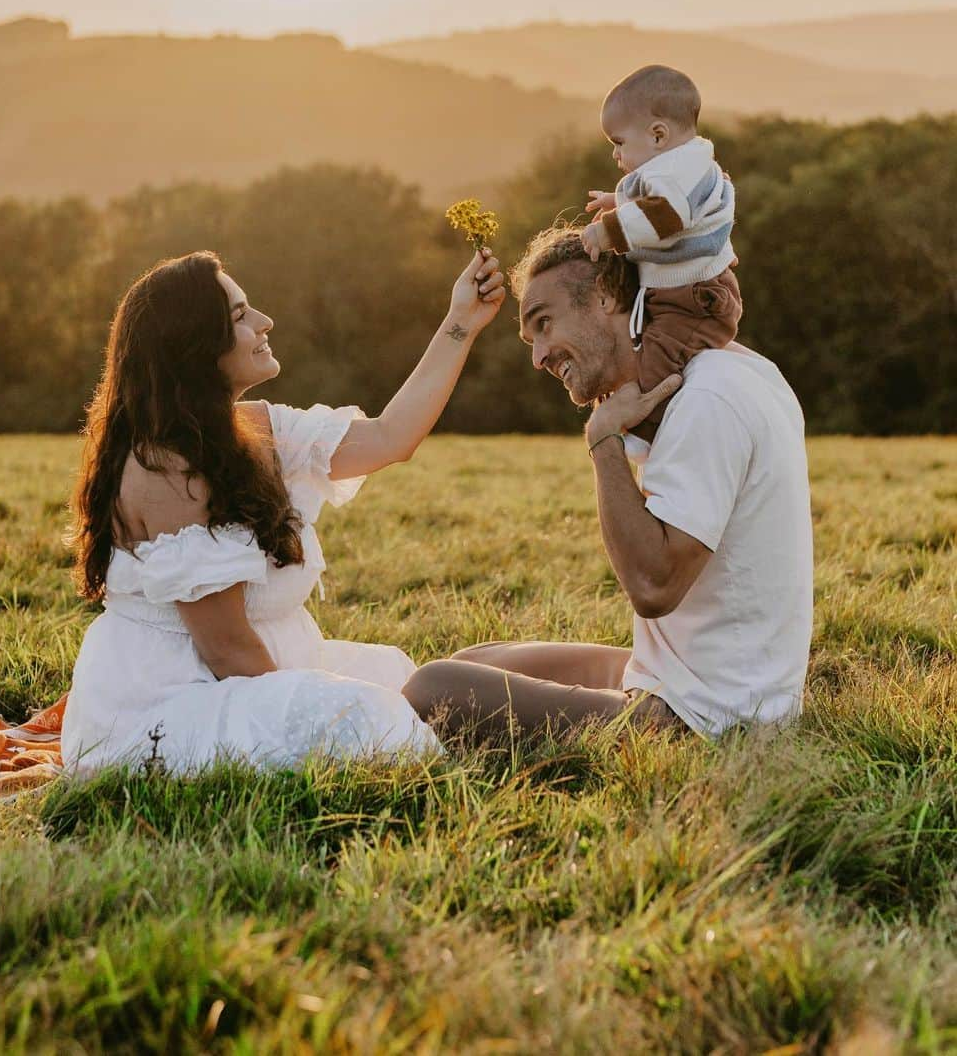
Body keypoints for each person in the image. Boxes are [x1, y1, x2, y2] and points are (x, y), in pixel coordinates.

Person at [62, 245, 506, 775]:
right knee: (365, 711)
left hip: (258, 670)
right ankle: (467, 770)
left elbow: (391, 437)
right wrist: (302, 708)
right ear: (195, 346)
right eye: (240, 315)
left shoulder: (256, 427)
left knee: (395, 674)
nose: (265, 321)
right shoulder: (165, 468)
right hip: (170, 705)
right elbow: (227, 650)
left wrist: (462, 322)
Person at [403, 227, 813, 741]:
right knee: (475, 660)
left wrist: (603, 442)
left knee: (432, 687)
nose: (539, 356)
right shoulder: (734, 370)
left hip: (708, 716)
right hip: (695, 676)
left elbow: (653, 585)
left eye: (545, 324)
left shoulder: (709, 398)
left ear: (608, 296)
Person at [580, 65, 741, 436]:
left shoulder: (673, 175)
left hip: (692, 300)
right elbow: (653, 195)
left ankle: (650, 437)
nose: (616, 156)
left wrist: (609, 231)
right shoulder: (685, 161)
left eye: (619, 143)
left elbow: (666, 215)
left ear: (658, 135)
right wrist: (617, 200)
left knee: (653, 370)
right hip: (687, 291)